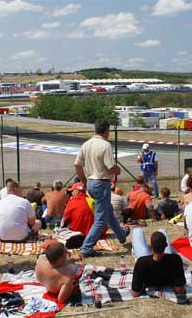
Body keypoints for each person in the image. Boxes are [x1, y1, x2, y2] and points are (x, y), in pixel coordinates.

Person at [74, 120, 128, 257]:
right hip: (101, 182)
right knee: (100, 219)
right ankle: (86, 248)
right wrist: (118, 170)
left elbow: (77, 165)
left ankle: (121, 235)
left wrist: (84, 180)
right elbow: (111, 167)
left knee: (108, 212)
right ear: (105, 131)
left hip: (91, 181)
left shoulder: (86, 144)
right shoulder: (105, 145)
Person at [131, 229, 186, 297]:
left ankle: (157, 236)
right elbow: (180, 290)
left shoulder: (142, 262)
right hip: (166, 259)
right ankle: (161, 232)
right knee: (161, 232)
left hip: (147, 259)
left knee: (137, 230)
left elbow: (135, 293)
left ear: (151, 247)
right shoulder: (175, 260)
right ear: (166, 246)